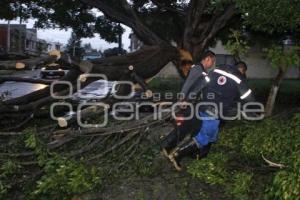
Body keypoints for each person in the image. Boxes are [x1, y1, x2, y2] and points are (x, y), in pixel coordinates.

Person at [168, 64, 255, 171]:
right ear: (242, 70)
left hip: (202, 106)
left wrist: (187, 98)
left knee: (212, 136)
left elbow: (199, 84)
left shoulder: (215, 71)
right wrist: (255, 110)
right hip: (214, 112)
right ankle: (177, 155)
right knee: (204, 136)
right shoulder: (239, 79)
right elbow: (248, 98)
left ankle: (196, 155)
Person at [161, 51, 216, 161]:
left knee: (189, 126)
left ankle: (172, 147)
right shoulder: (198, 69)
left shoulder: (201, 70)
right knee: (186, 127)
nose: (213, 64)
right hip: (187, 102)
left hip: (191, 103)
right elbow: (188, 84)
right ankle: (169, 146)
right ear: (208, 59)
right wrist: (182, 100)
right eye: (213, 61)